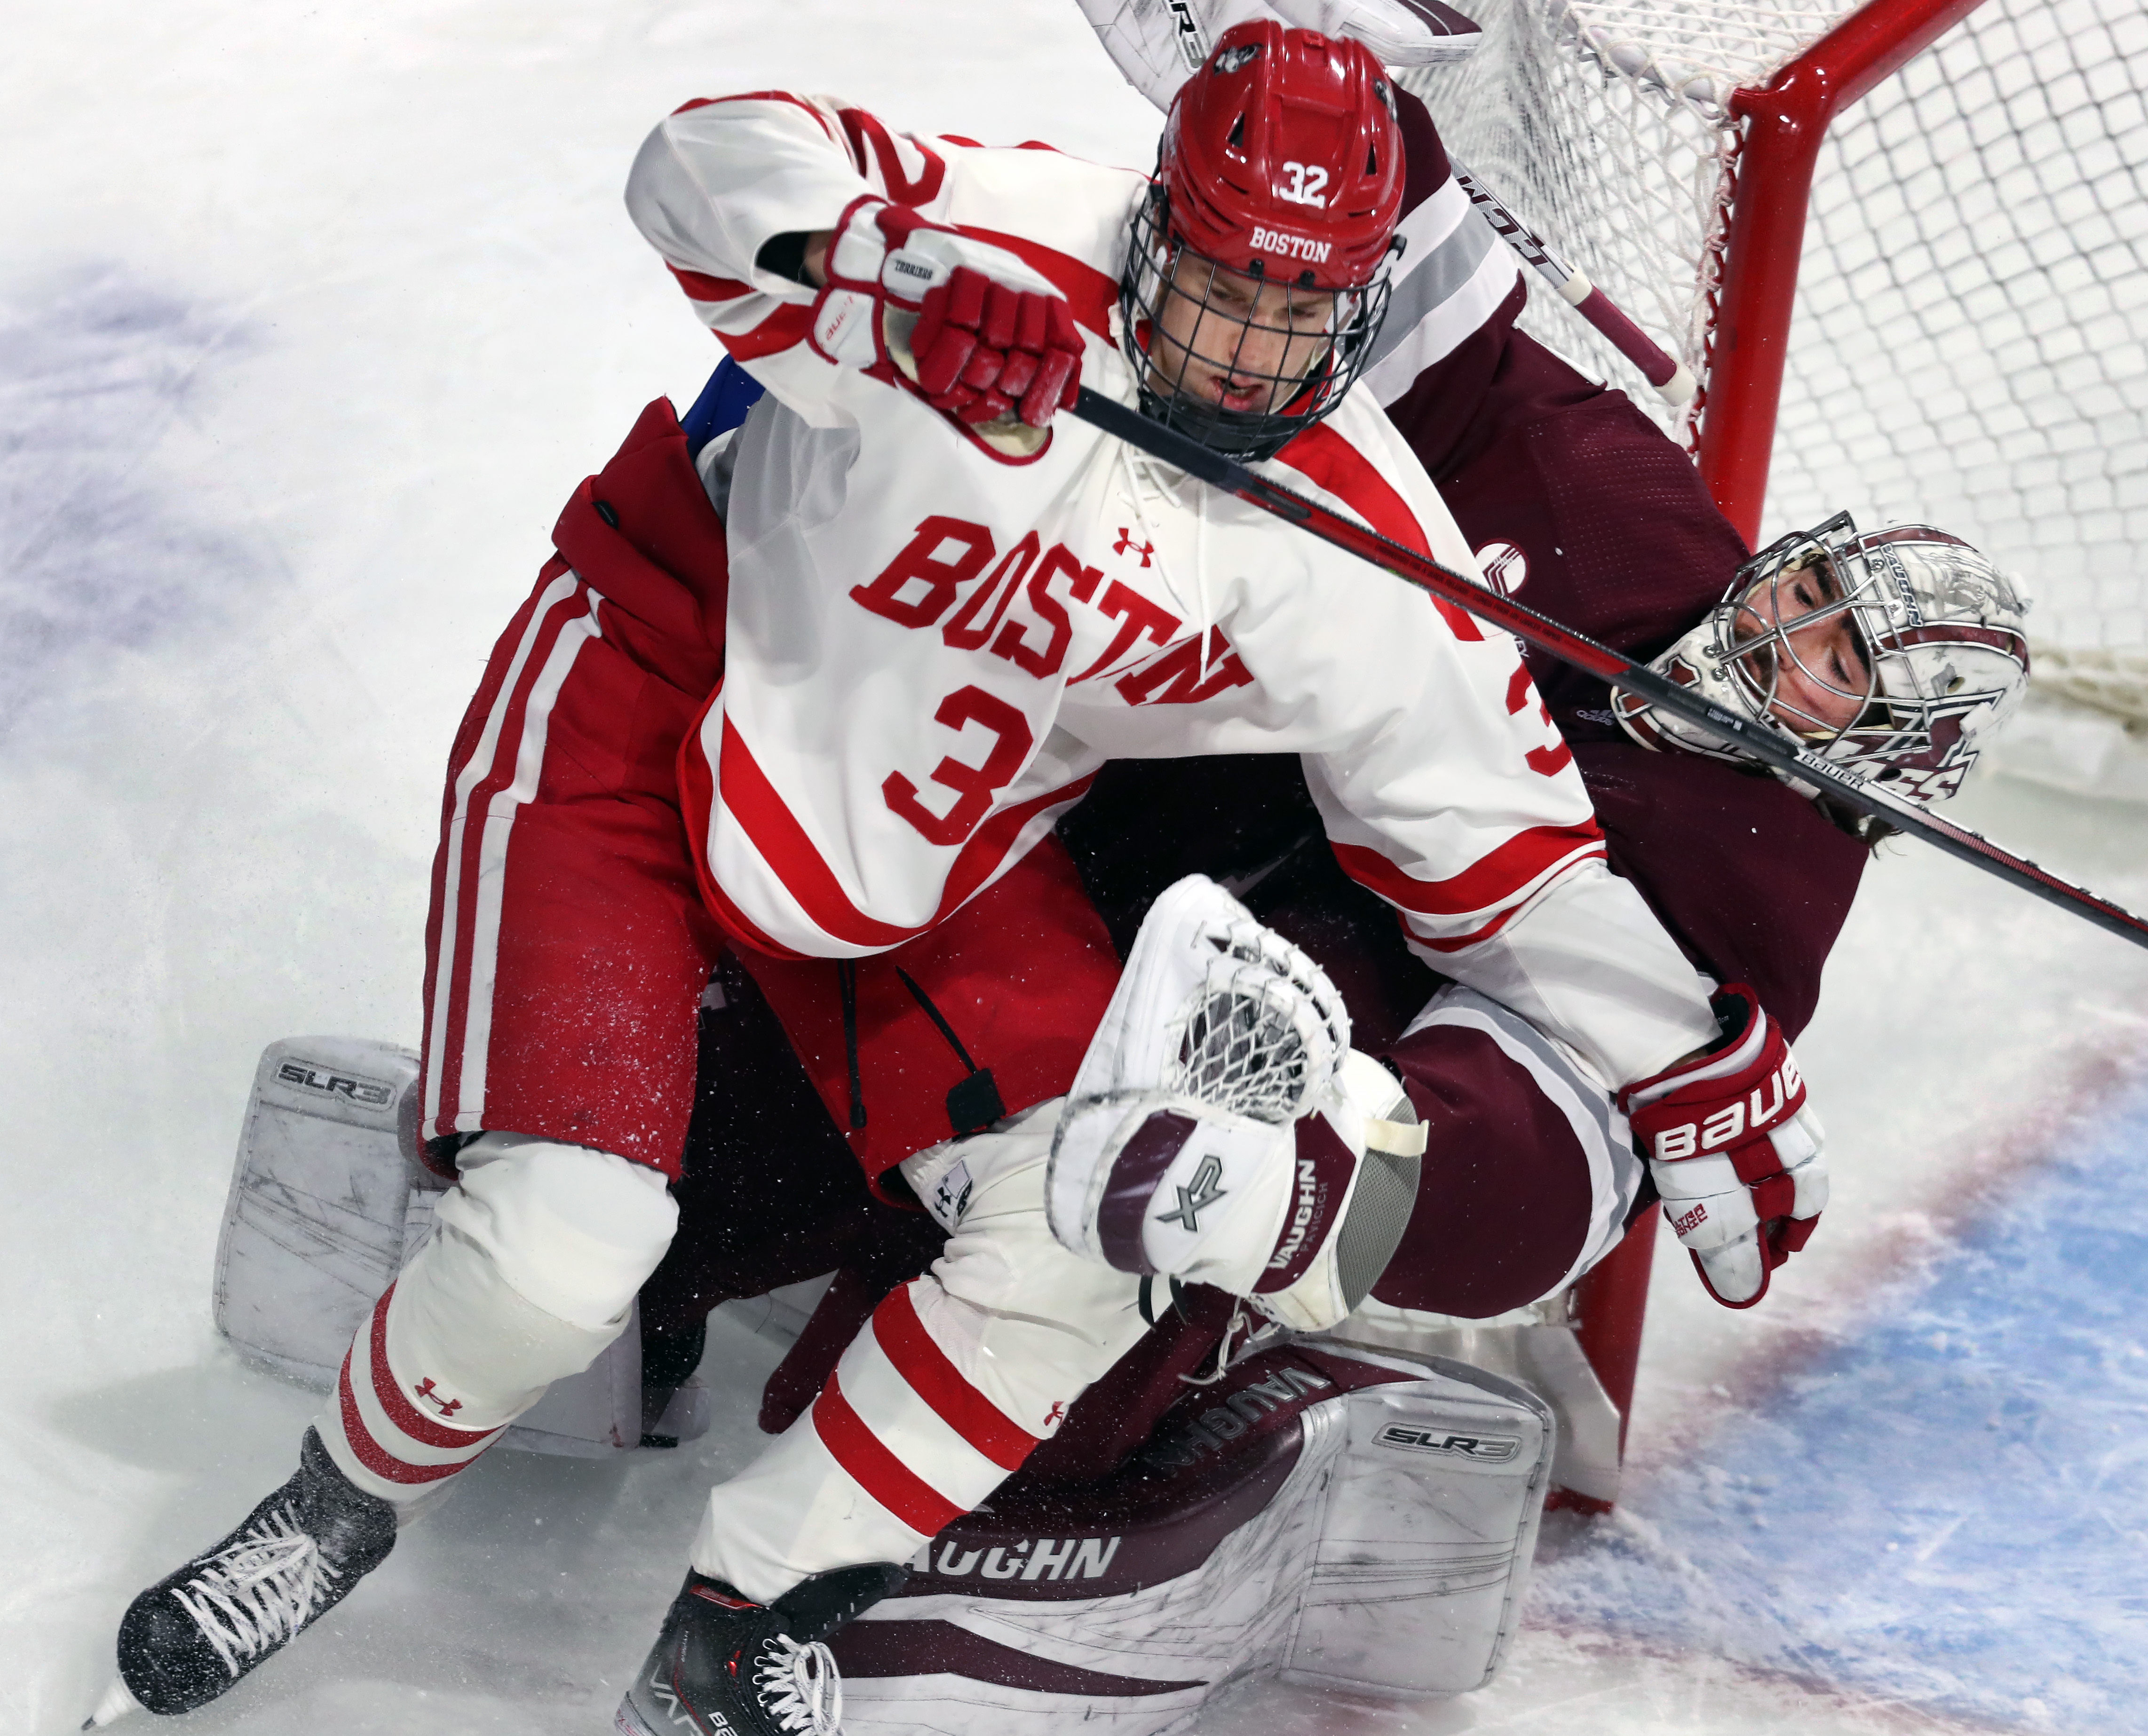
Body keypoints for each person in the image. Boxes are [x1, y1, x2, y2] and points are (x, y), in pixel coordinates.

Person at [96, 25, 1821, 1736]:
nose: (1243, 354)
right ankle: (333, 1503)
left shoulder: (1360, 534)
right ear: (1156, 228)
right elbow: (701, 167)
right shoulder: (1003, 245)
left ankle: (741, 1609)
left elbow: (1507, 863)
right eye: (1219, 290)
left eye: (1299, 318)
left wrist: (1696, 1053)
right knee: (570, 1245)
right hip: (660, 705)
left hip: (941, 857)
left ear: (1362, 307)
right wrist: (879, 273)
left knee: (1097, 1221)